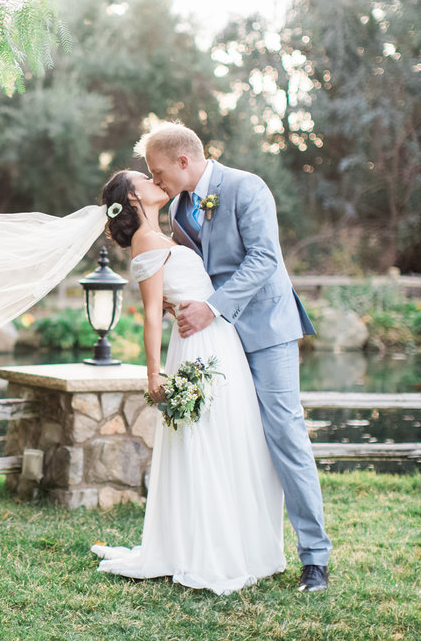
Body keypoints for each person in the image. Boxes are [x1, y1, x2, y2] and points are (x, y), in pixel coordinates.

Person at [137, 122, 330, 592]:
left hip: (265, 330)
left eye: (158, 171)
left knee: (284, 432)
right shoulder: (180, 208)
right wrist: (177, 298)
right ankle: (238, 547)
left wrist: (213, 308)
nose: (156, 181)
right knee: (232, 439)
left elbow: (264, 259)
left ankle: (315, 558)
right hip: (215, 345)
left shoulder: (247, 187)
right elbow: (194, 270)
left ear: (183, 161)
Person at [90, 169, 286, 595]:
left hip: (219, 340)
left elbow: (168, 297)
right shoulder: (146, 239)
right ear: (133, 196)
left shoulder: (173, 228)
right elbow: (149, 317)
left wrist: (172, 303)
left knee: (232, 437)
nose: (154, 178)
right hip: (195, 349)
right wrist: (153, 373)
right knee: (206, 443)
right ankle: (208, 551)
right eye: (144, 177)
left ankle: (241, 544)